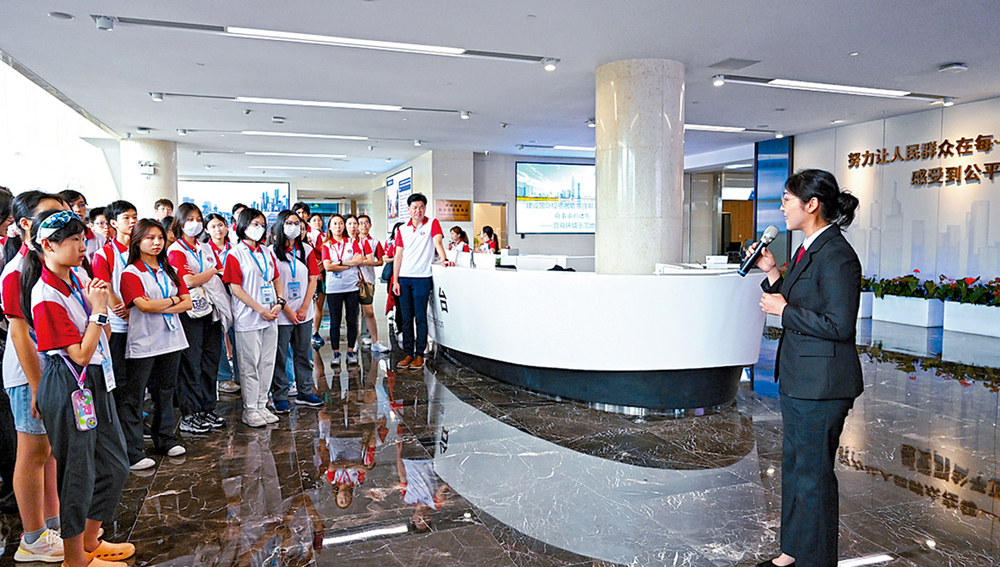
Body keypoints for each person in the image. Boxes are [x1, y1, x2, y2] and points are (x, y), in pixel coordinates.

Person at [751, 169, 862, 567]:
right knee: (797, 471)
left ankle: (815, 560)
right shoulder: (808, 248)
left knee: (813, 477)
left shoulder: (837, 255)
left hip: (824, 385)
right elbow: (800, 298)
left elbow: (838, 325)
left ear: (810, 205)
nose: (781, 206)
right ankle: (792, 551)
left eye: (786, 199)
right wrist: (771, 273)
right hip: (802, 380)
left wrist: (785, 311)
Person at [26, 209, 135, 567]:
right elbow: (80, 354)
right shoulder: (45, 295)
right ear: (48, 245)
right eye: (73, 240)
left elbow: (97, 341)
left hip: (94, 382)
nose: (81, 246)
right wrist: (100, 310)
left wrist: (97, 309)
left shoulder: (77, 279)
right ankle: (75, 559)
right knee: (77, 473)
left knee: (116, 463)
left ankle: (90, 540)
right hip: (69, 381)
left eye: (82, 239)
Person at [2, 191, 66, 563]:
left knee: (50, 453)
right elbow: (19, 332)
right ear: (26, 224)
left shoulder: (48, 264)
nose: (61, 222)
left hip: (52, 371)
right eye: (50, 215)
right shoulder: (16, 272)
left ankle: (52, 525)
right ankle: (33, 538)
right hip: (30, 375)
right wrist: (40, 386)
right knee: (32, 453)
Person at [118, 220, 191, 469]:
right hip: (144, 342)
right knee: (135, 396)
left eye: (160, 237)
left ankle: (166, 439)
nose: (157, 242)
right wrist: (172, 300)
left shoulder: (169, 270)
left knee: (166, 392)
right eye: (150, 238)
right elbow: (143, 306)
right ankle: (134, 450)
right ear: (137, 241)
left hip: (171, 339)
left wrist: (163, 303)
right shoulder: (131, 273)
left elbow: (187, 303)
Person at [167, 204, 227, 434]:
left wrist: (208, 274)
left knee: (210, 360)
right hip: (190, 311)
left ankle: (206, 408)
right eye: (190, 218)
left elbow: (219, 269)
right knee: (191, 362)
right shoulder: (176, 250)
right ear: (180, 223)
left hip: (210, 309)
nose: (195, 222)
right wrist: (209, 274)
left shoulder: (204, 247)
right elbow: (189, 281)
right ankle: (190, 413)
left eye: (198, 218)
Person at [222, 208, 284, 428]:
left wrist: (279, 302)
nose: (260, 228)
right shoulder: (235, 253)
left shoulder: (267, 252)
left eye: (262, 224)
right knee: (250, 364)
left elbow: (276, 278)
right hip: (248, 317)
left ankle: (262, 404)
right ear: (243, 226)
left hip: (271, 315)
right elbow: (236, 289)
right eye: (255, 224)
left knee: (267, 362)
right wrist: (260, 309)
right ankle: (250, 409)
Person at [392, 194, 453, 370]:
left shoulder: (432, 223)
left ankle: (420, 354)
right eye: (414, 207)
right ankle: (408, 353)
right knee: (405, 318)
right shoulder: (402, 229)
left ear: (425, 208)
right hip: (404, 278)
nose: (418, 211)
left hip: (422, 278)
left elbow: (438, 242)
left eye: (421, 207)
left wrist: (444, 259)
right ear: (409, 209)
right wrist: (395, 280)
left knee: (420, 317)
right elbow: (398, 255)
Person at [270, 210, 324, 411]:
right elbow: (272, 283)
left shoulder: (307, 250)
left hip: (304, 313)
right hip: (281, 313)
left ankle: (305, 391)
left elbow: (313, 279)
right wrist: (287, 310)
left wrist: (303, 307)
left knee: (303, 353)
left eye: (297, 223)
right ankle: (280, 395)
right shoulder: (270, 252)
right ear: (280, 226)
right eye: (289, 223)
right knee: (281, 356)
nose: (294, 227)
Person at [92, 201, 137, 421]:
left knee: (140, 379)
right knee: (121, 378)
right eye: (127, 218)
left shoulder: (140, 249)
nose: (132, 221)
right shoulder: (105, 253)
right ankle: (122, 424)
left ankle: (135, 421)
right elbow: (105, 287)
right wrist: (124, 310)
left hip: (143, 321)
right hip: (119, 325)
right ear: (113, 223)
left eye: (134, 217)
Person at [321, 214, 364, 367]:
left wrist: (339, 263)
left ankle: (351, 351)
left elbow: (360, 260)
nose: (338, 226)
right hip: (334, 289)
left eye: (340, 223)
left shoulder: (352, 242)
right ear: (330, 227)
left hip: (352, 287)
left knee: (352, 320)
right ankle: (336, 353)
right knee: (335, 322)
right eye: (335, 224)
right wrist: (349, 265)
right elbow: (328, 266)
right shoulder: (326, 245)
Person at [206, 213, 241, 395]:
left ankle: (241, 374)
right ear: (206, 230)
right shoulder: (203, 250)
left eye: (220, 225)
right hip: (214, 299)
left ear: (227, 227)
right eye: (213, 226)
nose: (217, 230)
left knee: (238, 336)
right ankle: (223, 377)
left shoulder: (236, 249)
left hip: (236, 296)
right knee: (217, 337)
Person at [357, 214, 389, 353]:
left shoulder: (374, 242)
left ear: (370, 225)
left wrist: (368, 262)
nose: (364, 225)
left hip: (368, 280)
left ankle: (366, 334)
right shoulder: (352, 241)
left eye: (366, 223)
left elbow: (381, 260)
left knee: (367, 310)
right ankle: (355, 338)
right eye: (361, 223)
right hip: (353, 280)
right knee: (354, 311)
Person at [58, 191, 104, 265]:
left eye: (82, 205)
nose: (78, 209)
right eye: (71, 205)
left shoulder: (99, 239)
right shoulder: (57, 238)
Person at [306, 212, 326, 350]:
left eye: (319, 220)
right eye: (314, 220)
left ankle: (316, 331)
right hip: (308, 273)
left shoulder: (325, 237)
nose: (317, 223)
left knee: (319, 303)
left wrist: (320, 270)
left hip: (323, 273)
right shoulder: (306, 237)